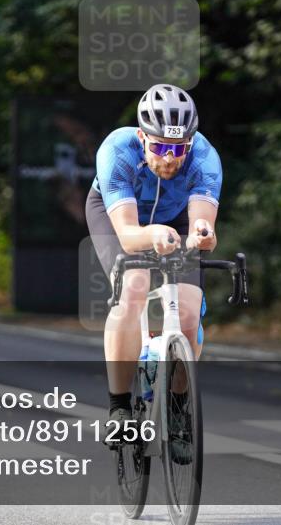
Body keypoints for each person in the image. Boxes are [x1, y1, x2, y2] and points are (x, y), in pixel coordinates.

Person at [85, 84, 222, 426]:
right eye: (159, 146)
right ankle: (119, 407)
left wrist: (202, 234)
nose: (169, 158)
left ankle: (177, 412)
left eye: (179, 148)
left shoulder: (205, 157)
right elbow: (130, 237)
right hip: (118, 216)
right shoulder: (117, 150)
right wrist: (154, 234)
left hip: (175, 220)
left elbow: (202, 223)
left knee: (189, 316)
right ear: (143, 138)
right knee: (133, 287)